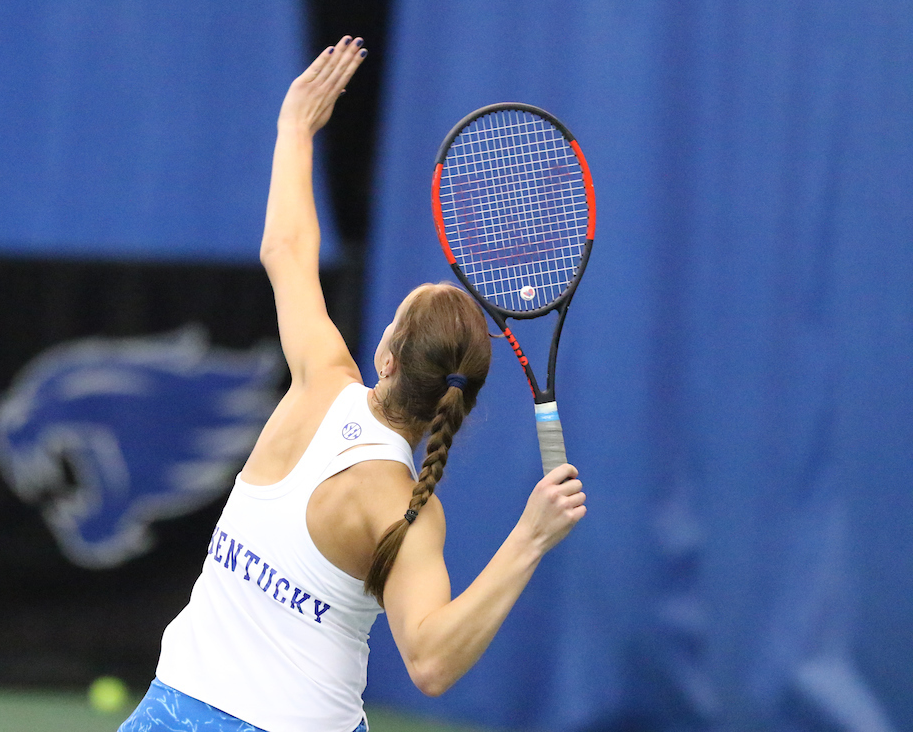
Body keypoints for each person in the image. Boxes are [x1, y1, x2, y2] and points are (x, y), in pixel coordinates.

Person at [118, 38, 587, 732]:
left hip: (173, 712)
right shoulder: (409, 513)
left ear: (387, 357)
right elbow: (430, 661)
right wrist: (529, 538)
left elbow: (285, 249)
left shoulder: (318, 378)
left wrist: (295, 128)